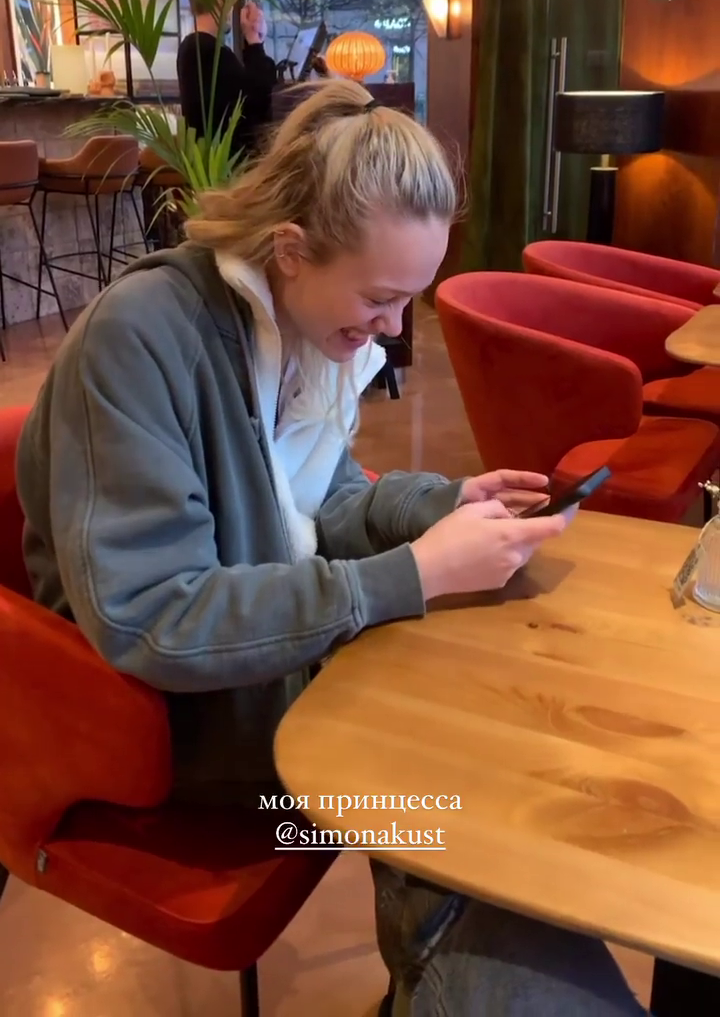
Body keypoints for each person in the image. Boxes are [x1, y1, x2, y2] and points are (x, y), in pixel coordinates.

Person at [15, 80, 646, 1016]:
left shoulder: (294, 323)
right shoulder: (142, 339)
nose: (393, 330)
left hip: (279, 675)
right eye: (382, 299)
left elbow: (322, 503)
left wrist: (443, 506)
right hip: (181, 736)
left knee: (496, 751)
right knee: (457, 788)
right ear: (290, 249)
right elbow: (153, 620)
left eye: (410, 301)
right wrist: (409, 576)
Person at [177, 0, 276, 161]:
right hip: (228, 166)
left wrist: (254, 41)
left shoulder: (193, 47)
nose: (233, 11)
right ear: (220, 0)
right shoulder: (209, 52)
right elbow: (258, 100)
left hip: (213, 164)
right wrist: (254, 39)